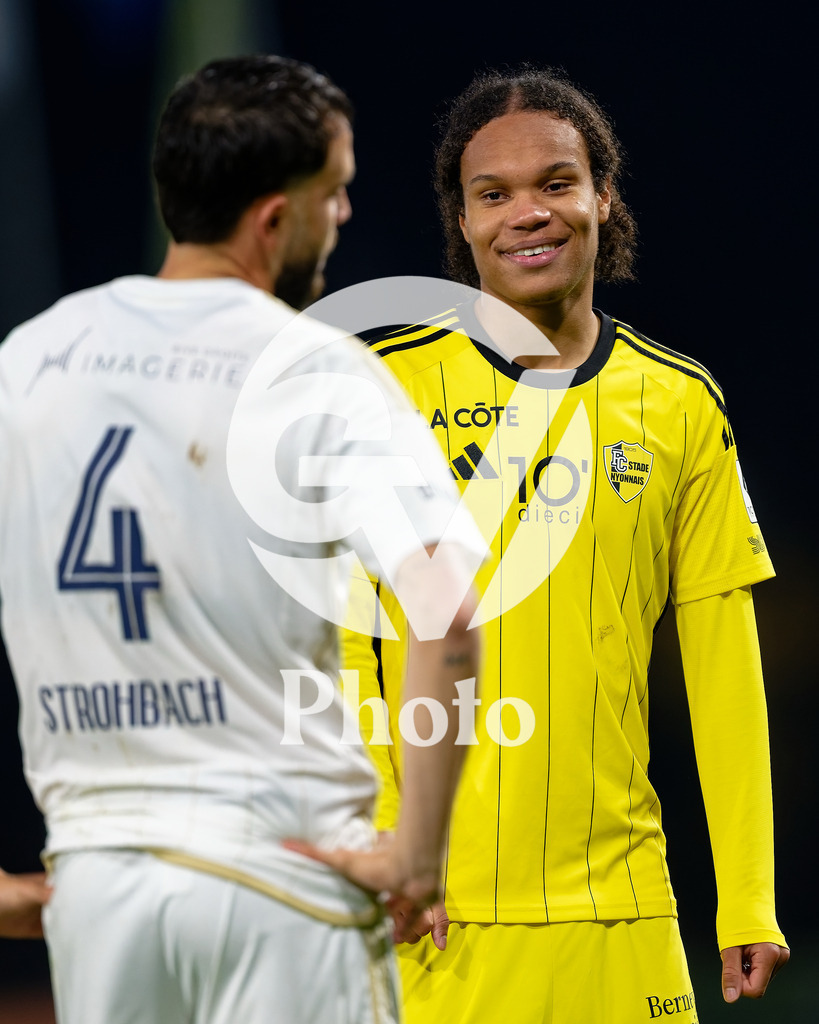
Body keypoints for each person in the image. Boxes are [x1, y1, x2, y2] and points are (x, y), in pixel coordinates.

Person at [0, 55, 483, 1023]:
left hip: (97, 896)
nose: (342, 215)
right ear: (274, 217)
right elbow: (449, 615)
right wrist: (416, 855)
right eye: (334, 192)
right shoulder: (315, 370)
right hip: (284, 879)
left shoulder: (27, 359)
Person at [342, 65, 788, 1023]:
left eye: (554, 183)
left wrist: (747, 891)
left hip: (622, 916)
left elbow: (721, 662)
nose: (526, 215)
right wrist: (389, 842)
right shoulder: (384, 392)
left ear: (602, 196)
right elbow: (344, 644)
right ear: (460, 223)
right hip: (435, 918)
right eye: (491, 194)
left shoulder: (678, 403)